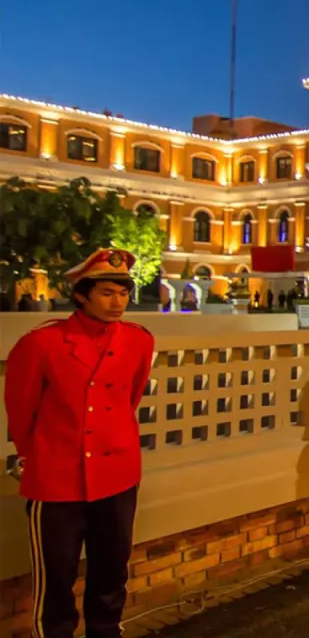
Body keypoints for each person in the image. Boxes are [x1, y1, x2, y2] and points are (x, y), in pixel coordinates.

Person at [4, 248, 155, 638]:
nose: (118, 302)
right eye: (106, 293)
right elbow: (21, 413)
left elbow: (129, 398)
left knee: (111, 572)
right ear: (81, 295)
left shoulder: (138, 340)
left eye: (123, 293)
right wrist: (42, 456)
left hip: (117, 475)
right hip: (57, 478)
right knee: (56, 579)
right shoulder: (42, 343)